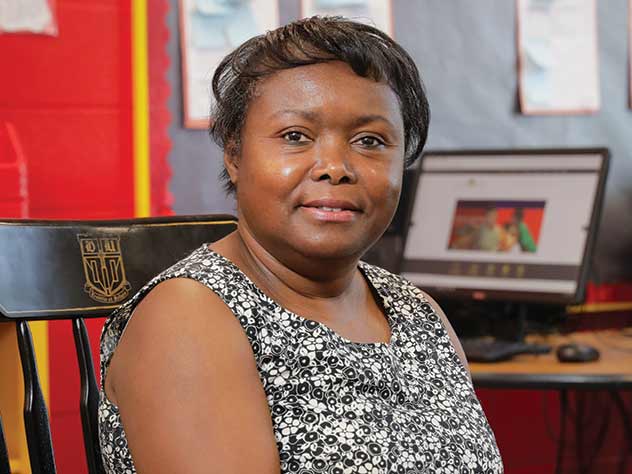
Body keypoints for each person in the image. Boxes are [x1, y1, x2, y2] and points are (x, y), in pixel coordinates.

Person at [99, 16, 503, 474]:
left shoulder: (417, 312)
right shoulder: (185, 318)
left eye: (370, 141)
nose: (335, 167)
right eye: (295, 136)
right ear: (235, 154)